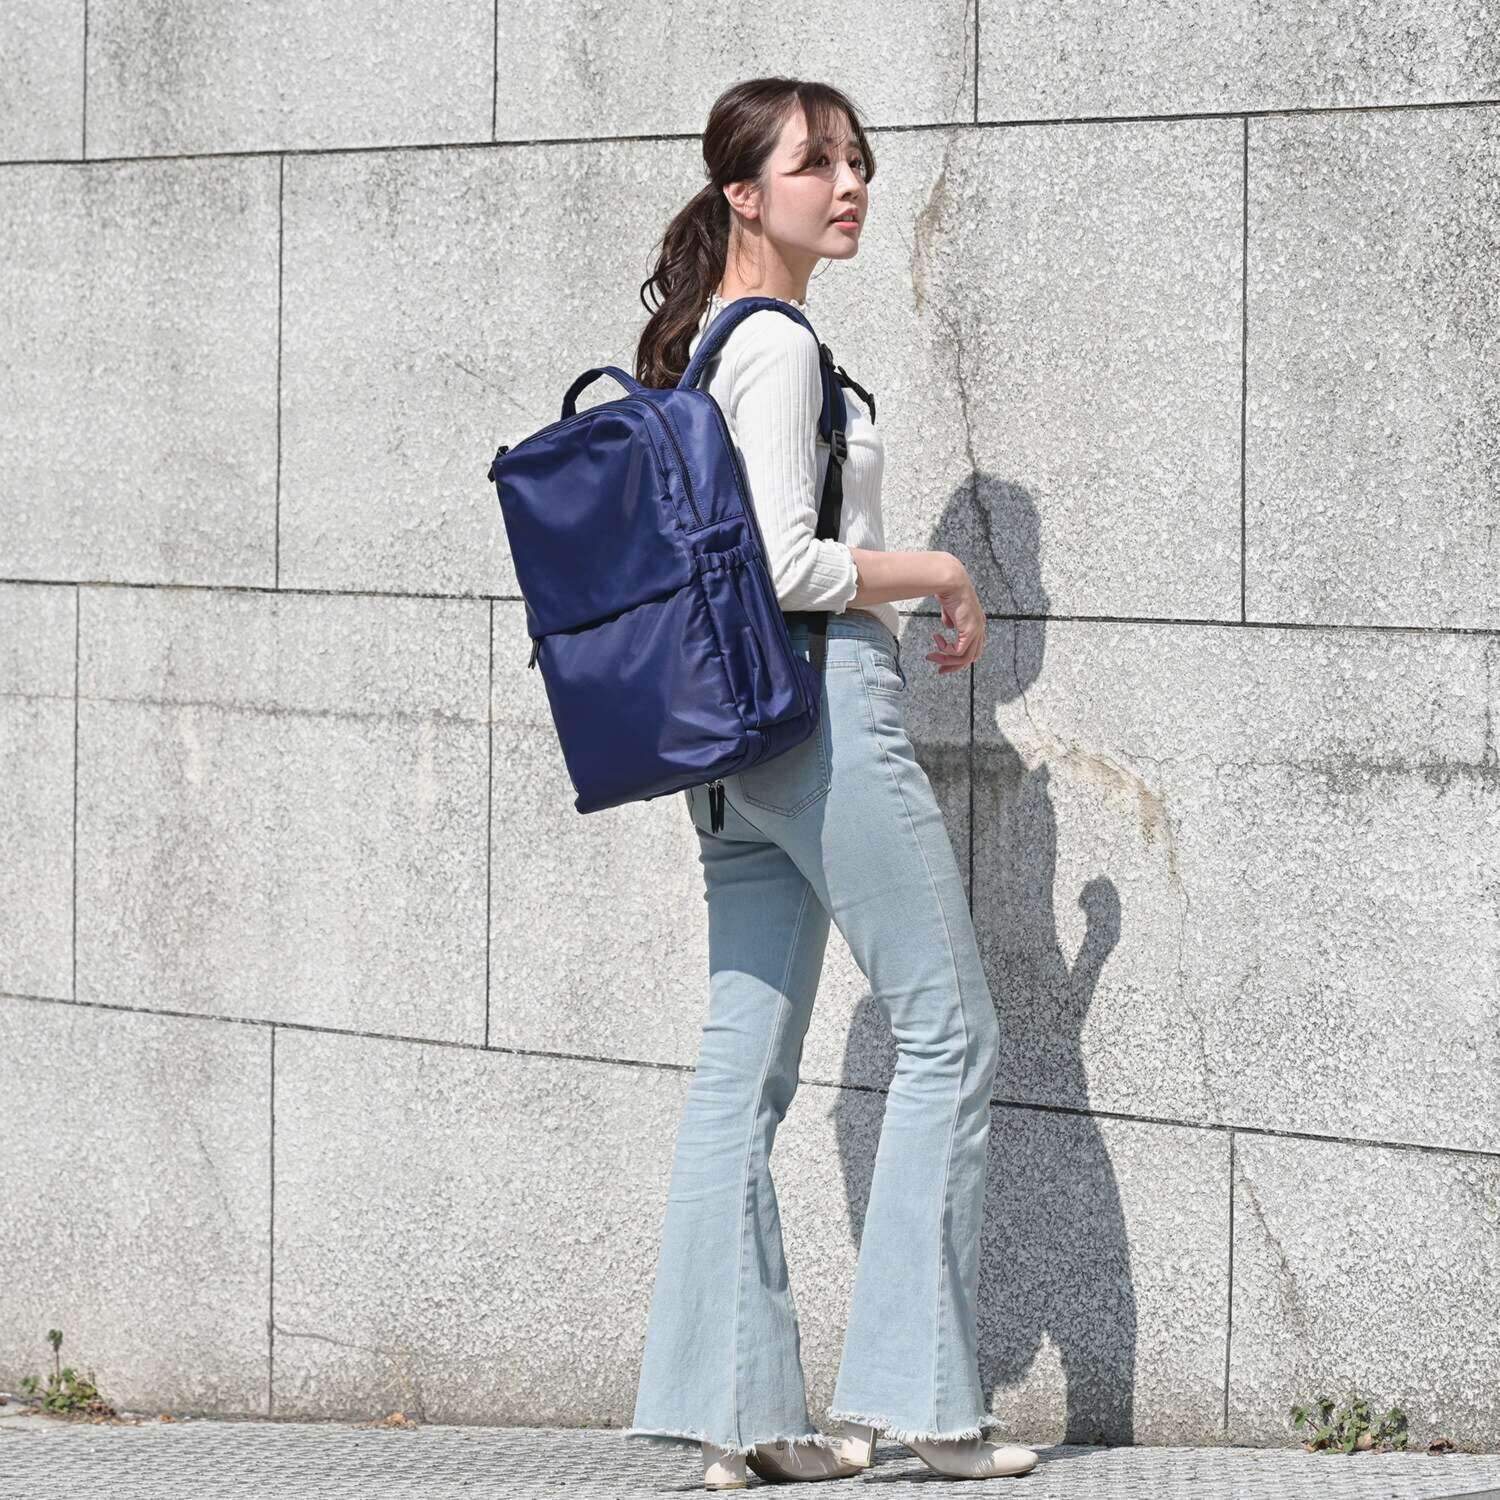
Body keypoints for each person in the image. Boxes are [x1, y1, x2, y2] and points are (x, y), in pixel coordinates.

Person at [623, 76, 1039, 1490]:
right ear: (745, 194)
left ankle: (742, 1419)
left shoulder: (711, 343)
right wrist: (941, 570)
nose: (849, 185)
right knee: (951, 1033)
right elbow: (787, 565)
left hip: (731, 749)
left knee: (739, 1072)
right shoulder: (778, 346)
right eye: (816, 165)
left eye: (857, 161)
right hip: (820, 712)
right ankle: (925, 1402)